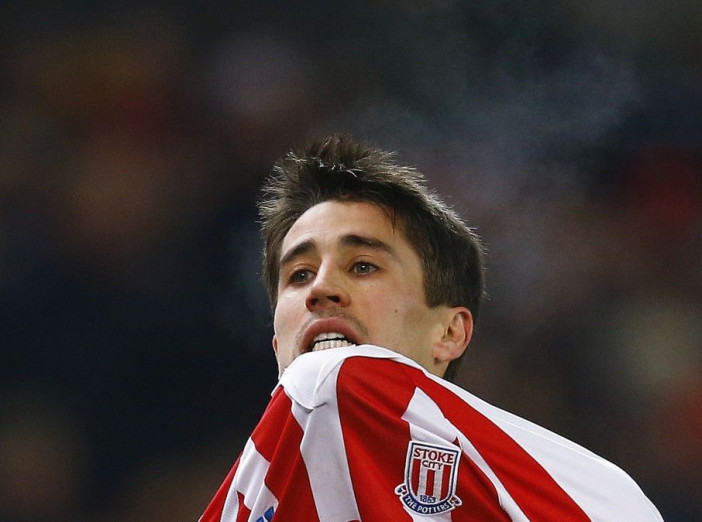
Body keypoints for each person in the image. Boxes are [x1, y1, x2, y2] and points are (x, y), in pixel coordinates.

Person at [200, 135, 663, 521]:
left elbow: (334, 380)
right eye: (298, 275)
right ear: (278, 344)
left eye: (362, 266)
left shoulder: (588, 493)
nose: (320, 288)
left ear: (451, 333)